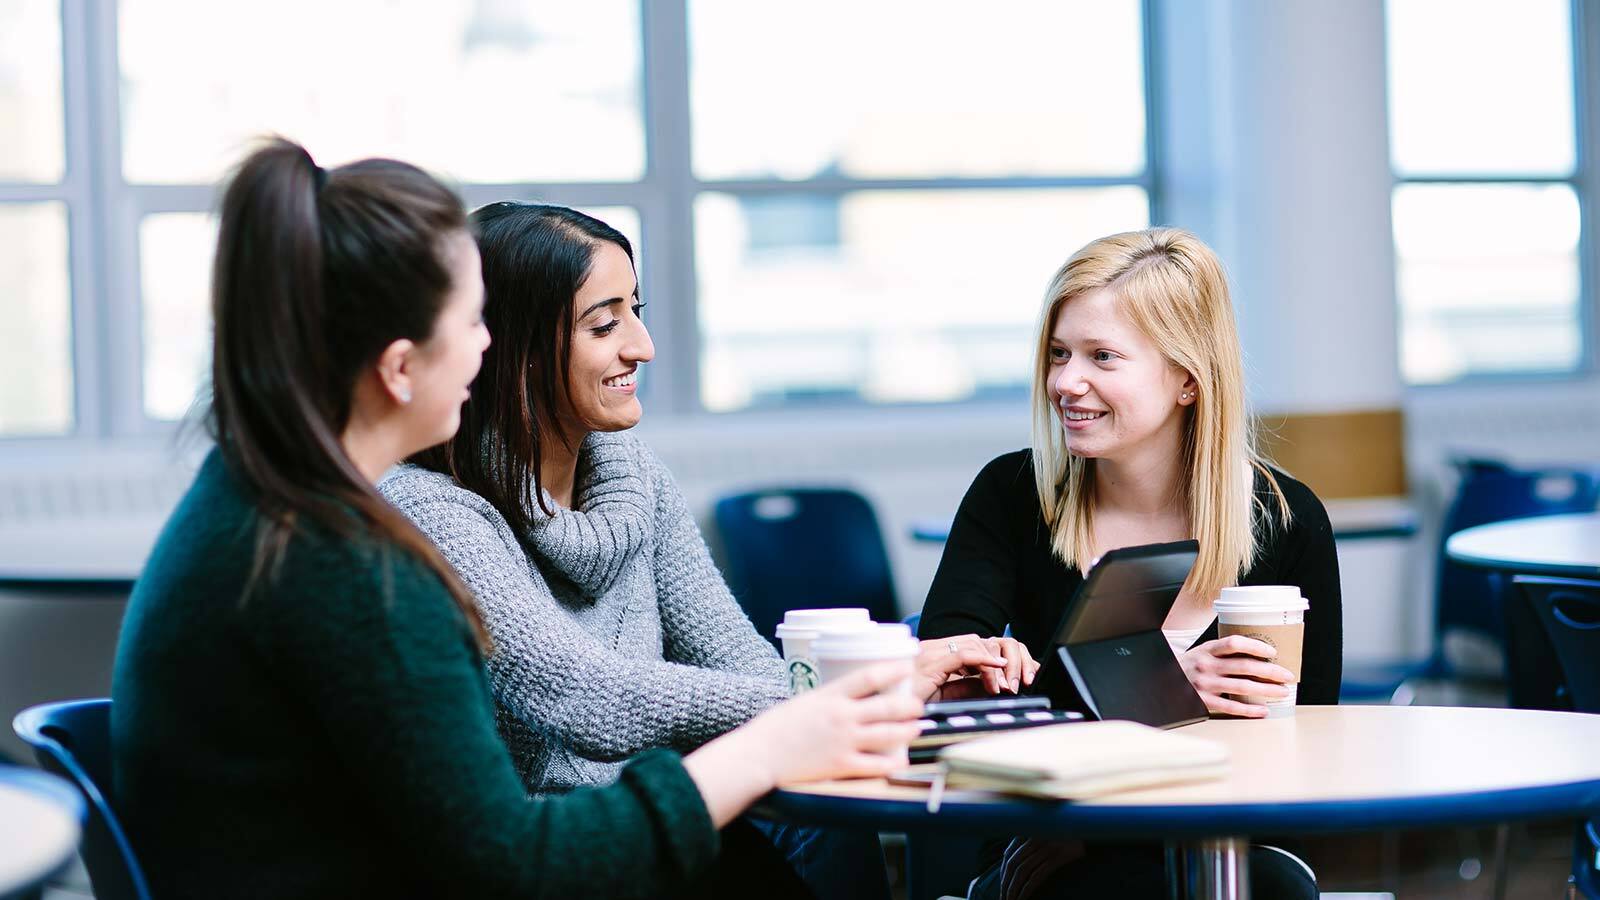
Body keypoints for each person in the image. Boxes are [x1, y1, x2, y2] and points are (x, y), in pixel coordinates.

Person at [111, 139, 928, 900]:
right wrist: (772, 739)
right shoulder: (358, 566)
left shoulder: (258, 503)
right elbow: (520, 864)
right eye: (473, 323)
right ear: (400, 368)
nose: (486, 350)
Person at [378, 202, 1038, 899]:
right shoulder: (430, 507)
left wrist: (871, 695)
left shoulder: (634, 476)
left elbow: (739, 661)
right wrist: (861, 694)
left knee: (833, 801)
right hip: (555, 852)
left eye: (635, 310)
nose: (642, 346)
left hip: (670, 813)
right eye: (604, 325)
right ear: (510, 347)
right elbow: (586, 694)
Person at [918, 227, 1342, 900]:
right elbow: (940, 702)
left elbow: (1312, 740)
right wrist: (1163, 692)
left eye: (1102, 357)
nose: (1064, 381)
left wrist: (1140, 705)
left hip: (1223, 837)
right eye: (1058, 354)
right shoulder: (1010, 496)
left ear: (1186, 380)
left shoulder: (1286, 518)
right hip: (1039, 831)